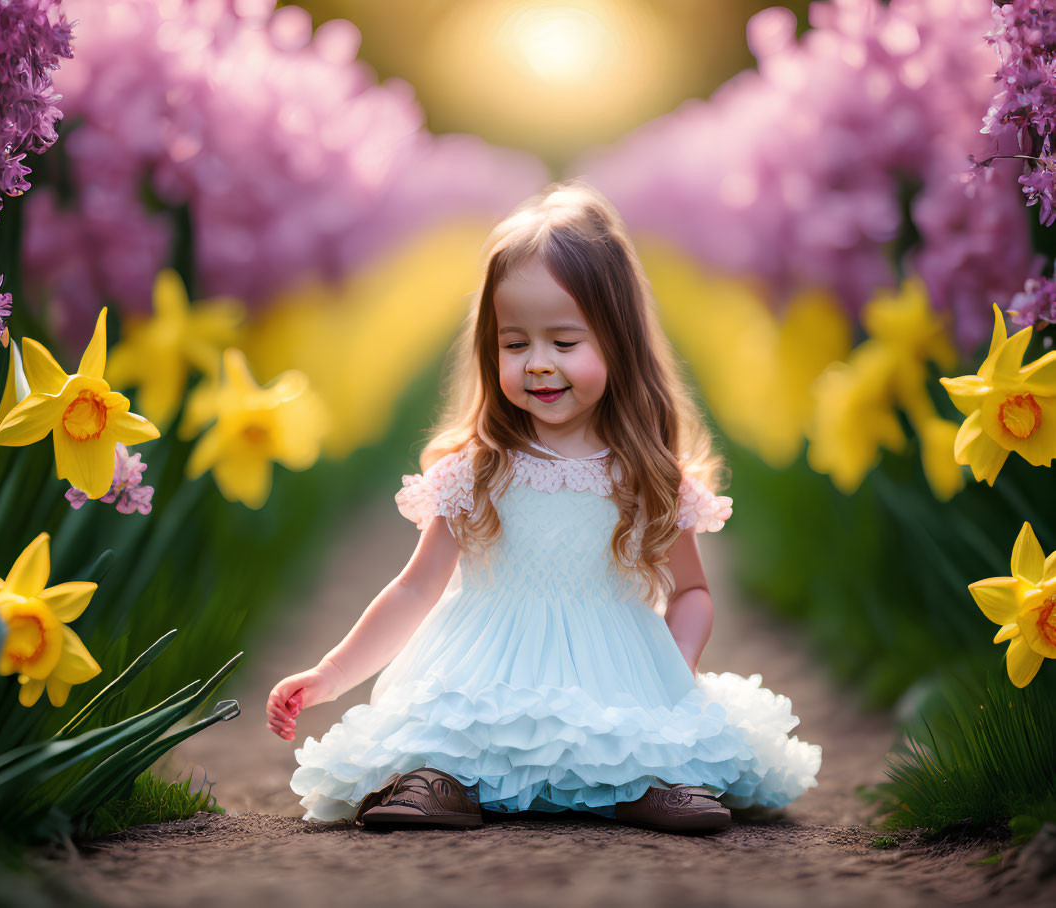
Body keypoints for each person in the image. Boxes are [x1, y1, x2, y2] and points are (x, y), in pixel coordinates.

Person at [267, 179, 821, 833]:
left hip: (616, 668)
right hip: (485, 668)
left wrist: (673, 671)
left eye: (563, 343)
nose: (537, 364)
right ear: (489, 345)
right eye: (514, 343)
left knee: (638, 739)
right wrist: (332, 674)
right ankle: (440, 783)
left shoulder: (645, 474)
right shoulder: (475, 470)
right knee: (445, 728)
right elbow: (415, 591)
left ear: (617, 342)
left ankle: (648, 782)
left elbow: (691, 589)